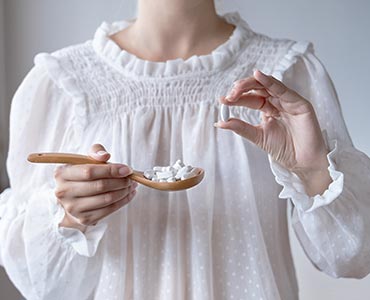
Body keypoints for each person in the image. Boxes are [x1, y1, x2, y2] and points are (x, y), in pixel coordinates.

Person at [1, 0, 370, 299]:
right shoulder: (60, 84)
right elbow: (42, 287)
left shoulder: (287, 75)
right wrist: (70, 220)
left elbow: (351, 258)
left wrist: (312, 172)